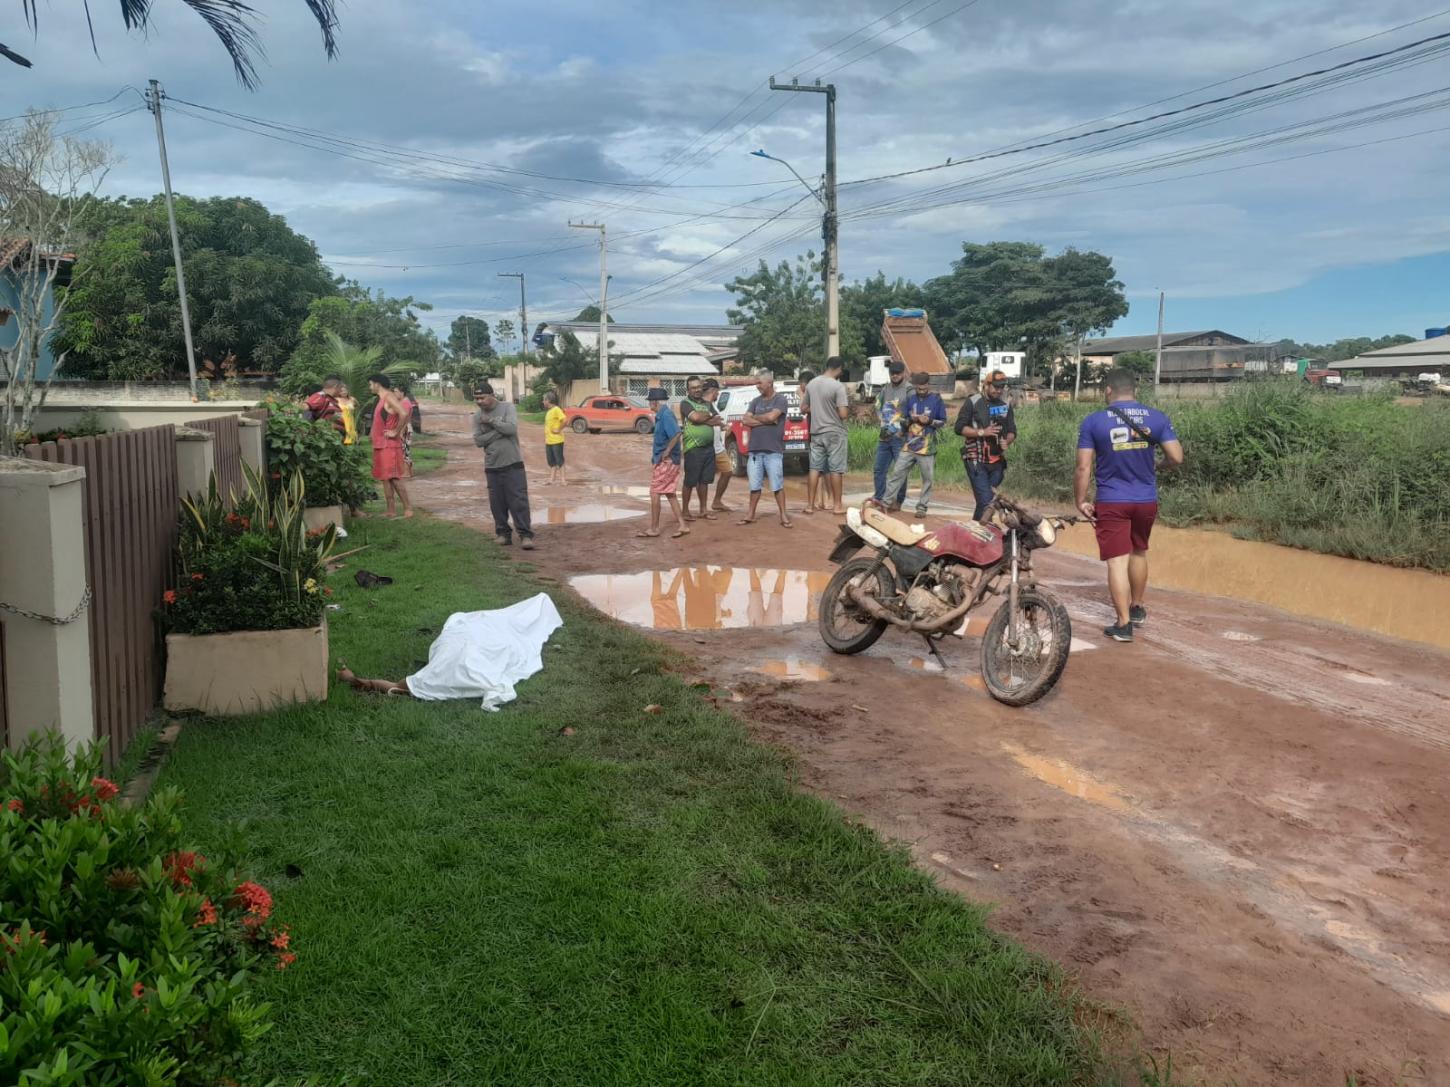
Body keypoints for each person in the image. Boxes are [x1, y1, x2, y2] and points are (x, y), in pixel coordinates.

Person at [1074, 368, 1185, 643]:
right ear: (1135, 391)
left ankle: (1123, 625)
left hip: (1112, 500)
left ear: (1108, 391)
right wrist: (1158, 465)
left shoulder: (1094, 421)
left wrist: (1080, 499)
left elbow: (1083, 466)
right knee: (1139, 551)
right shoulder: (1156, 417)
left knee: (1116, 561)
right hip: (1146, 499)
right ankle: (1137, 608)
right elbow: (1177, 457)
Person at [472, 382, 535, 550]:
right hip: (492, 465)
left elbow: (512, 429)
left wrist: (492, 422)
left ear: (492, 395)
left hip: (513, 463)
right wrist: (500, 429)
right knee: (497, 503)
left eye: (482, 397)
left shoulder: (508, 408)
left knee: (518, 501)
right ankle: (503, 534)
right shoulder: (477, 416)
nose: (479, 401)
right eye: (476, 398)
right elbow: (478, 441)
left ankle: (525, 535)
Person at [954, 368, 1018, 521]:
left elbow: (1012, 430)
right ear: (986, 385)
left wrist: (1007, 441)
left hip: (996, 463)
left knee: (985, 501)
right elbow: (959, 428)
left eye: (1001, 387)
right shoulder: (973, 402)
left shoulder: (1006, 405)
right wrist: (983, 432)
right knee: (986, 501)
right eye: (995, 386)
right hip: (975, 459)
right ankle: (983, 533)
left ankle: (975, 532)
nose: (998, 390)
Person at [884, 373, 946, 517]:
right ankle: (885, 503)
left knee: (927, 479)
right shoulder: (911, 399)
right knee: (897, 473)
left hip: (927, 447)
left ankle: (922, 508)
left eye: (924, 389)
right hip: (910, 444)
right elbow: (903, 420)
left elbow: (942, 421)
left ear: (928, 386)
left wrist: (929, 421)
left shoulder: (936, 400)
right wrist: (911, 420)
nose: (921, 392)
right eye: (919, 389)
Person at [737, 369, 793, 529]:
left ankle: (783, 515)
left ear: (769, 383)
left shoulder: (780, 400)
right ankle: (750, 514)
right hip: (755, 450)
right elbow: (745, 420)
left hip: (773, 450)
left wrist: (756, 418)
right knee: (754, 486)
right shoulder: (755, 401)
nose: (757, 386)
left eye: (759, 383)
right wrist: (765, 420)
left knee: (777, 485)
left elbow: (770, 417)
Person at [639, 387, 689, 539]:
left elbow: (676, 433)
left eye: (650, 401)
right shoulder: (663, 415)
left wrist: (666, 451)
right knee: (669, 493)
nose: (649, 404)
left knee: (655, 493)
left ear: (655, 402)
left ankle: (654, 528)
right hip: (668, 460)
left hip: (666, 461)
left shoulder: (665, 415)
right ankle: (683, 525)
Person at [804, 356, 850, 515]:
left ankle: (810, 505)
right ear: (838, 368)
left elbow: (804, 407)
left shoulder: (812, 383)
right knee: (836, 469)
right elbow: (843, 414)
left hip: (816, 432)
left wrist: (817, 409)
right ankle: (837, 506)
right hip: (834, 432)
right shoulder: (838, 387)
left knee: (814, 468)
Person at [367, 374, 413, 518]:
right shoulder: (381, 399)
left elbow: (404, 413)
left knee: (394, 477)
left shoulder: (389, 397)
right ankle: (390, 510)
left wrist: (396, 431)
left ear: (377, 384)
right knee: (385, 478)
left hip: (389, 445)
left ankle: (408, 508)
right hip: (380, 444)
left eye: (370, 384)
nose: (370, 387)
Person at [680, 378, 724, 521]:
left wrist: (704, 418)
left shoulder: (707, 404)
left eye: (699, 387)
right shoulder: (685, 403)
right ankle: (685, 511)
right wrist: (707, 418)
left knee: (704, 481)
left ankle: (703, 510)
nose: (697, 390)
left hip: (708, 448)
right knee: (690, 481)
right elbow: (696, 418)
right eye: (693, 388)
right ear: (688, 390)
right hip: (693, 448)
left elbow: (718, 419)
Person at [872, 360, 911, 507]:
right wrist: (880, 418)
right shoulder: (885, 389)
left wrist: (904, 430)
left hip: (900, 436)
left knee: (900, 470)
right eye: (892, 373)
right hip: (884, 436)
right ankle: (879, 497)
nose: (894, 376)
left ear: (903, 373)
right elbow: (877, 404)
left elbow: (913, 412)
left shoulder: (909, 390)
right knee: (878, 469)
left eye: (897, 373)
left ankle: (898, 500)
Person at [710, 383, 735, 513]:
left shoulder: (714, 405)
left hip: (718, 447)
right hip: (707, 447)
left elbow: (717, 422)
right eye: (717, 392)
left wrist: (724, 427)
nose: (718, 394)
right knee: (701, 478)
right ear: (712, 391)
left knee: (727, 472)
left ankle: (717, 501)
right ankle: (698, 508)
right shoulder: (703, 405)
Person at [542, 390, 566, 485]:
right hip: (549, 441)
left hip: (557, 440)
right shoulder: (549, 412)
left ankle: (563, 480)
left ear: (548, 400)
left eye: (544, 400)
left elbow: (565, 420)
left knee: (560, 460)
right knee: (551, 461)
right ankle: (551, 479)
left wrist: (559, 429)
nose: (543, 402)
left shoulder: (557, 409)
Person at [335, 382, 359, 446]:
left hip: (350, 421)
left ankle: (351, 449)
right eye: (341, 391)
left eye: (345, 390)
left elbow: (357, 405)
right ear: (338, 392)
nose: (344, 392)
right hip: (340, 422)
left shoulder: (352, 399)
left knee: (350, 440)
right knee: (340, 439)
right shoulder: (336, 400)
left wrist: (352, 411)